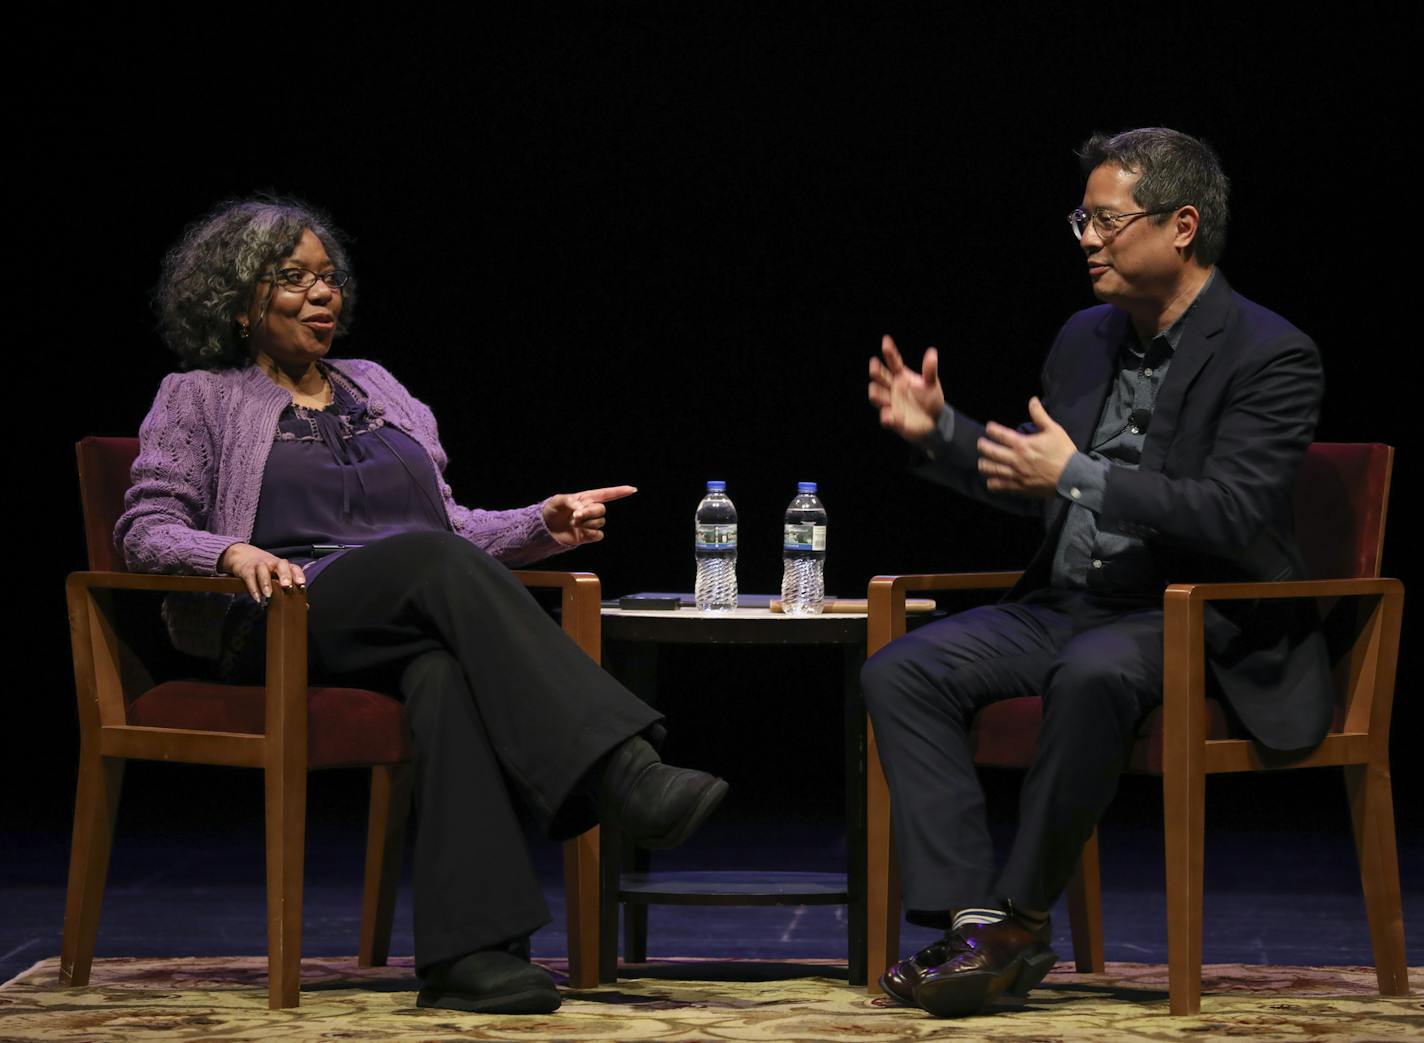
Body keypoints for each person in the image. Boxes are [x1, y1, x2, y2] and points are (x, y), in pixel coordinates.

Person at [117, 197, 728, 1015]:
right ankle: (620, 767)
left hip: (405, 607)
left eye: (328, 278)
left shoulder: (379, 389)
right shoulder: (198, 396)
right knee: (430, 569)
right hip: (281, 615)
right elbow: (145, 529)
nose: (321, 294)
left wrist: (539, 524)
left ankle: (470, 953)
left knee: (441, 674)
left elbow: (451, 528)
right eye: (292, 279)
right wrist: (228, 550)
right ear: (238, 302)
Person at [862, 128, 1329, 1018]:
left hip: (1191, 613)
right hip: (1068, 602)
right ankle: (978, 923)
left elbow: (1231, 510)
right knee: (903, 667)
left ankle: (1020, 916)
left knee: (1095, 672)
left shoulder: (1271, 353)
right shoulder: (1085, 337)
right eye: (1082, 218)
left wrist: (1078, 475)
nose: (1086, 238)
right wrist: (943, 434)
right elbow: (1042, 485)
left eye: (1106, 219)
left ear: (1182, 225)